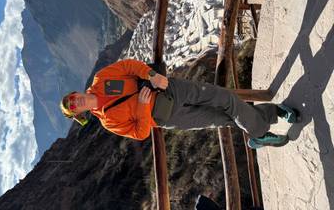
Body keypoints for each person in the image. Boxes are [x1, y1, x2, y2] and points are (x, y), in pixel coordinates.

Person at [60, 59, 299, 149]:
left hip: (170, 88)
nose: (75, 101)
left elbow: (129, 66)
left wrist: (151, 75)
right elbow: (140, 133)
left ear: (74, 93)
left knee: (223, 98)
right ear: (78, 113)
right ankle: (273, 114)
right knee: (223, 118)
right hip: (168, 116)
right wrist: (143, 108)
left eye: (72, 98)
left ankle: (259, 132)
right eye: (73, 106)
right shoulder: (109, 121)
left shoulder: (101, 78)